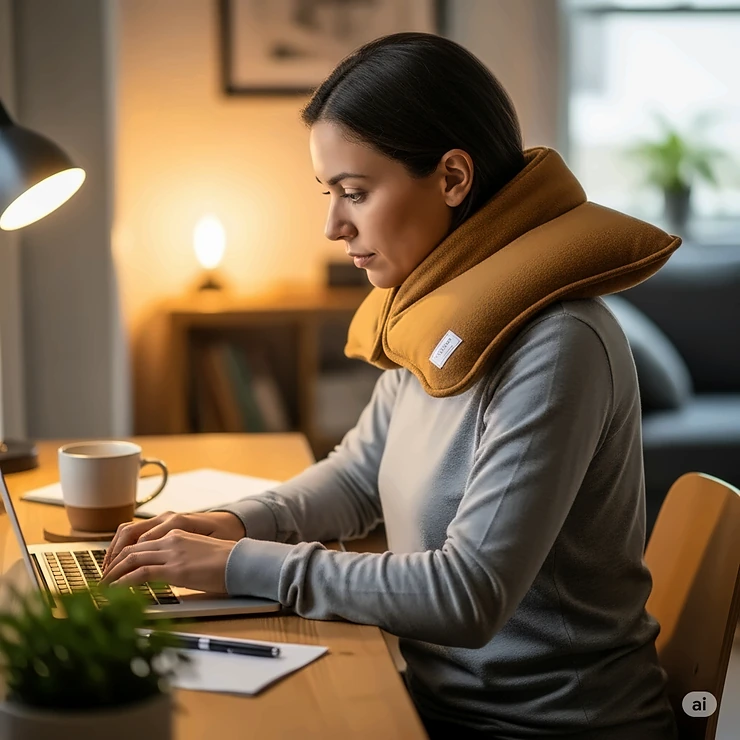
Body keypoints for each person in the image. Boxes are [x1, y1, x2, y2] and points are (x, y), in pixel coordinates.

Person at [102, 33, 681, 739]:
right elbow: (355, 478)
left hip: (547, 728)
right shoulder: (440, 310)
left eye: (355, 192)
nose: (332, 225)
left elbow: (469, 595)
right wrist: (232, 525)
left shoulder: (556, 345)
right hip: (438, 703)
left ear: (452, 179)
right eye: (331, 193)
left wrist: (241, 566)